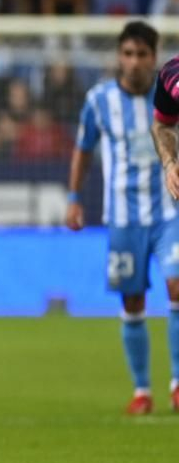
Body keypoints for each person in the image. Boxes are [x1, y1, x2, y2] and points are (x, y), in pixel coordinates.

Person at [67, 22, 176, 413]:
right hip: (123, 217)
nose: (133, 63)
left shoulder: (170, 95)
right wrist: (74, 197)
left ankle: (178, 384)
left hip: (169, 211)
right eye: (127, 54)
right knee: (133, 301)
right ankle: (143, 391)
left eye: (141, 54)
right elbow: (83, 150)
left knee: (177, 287)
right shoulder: (99, 100)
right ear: (119, 56)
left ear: (153, 56)